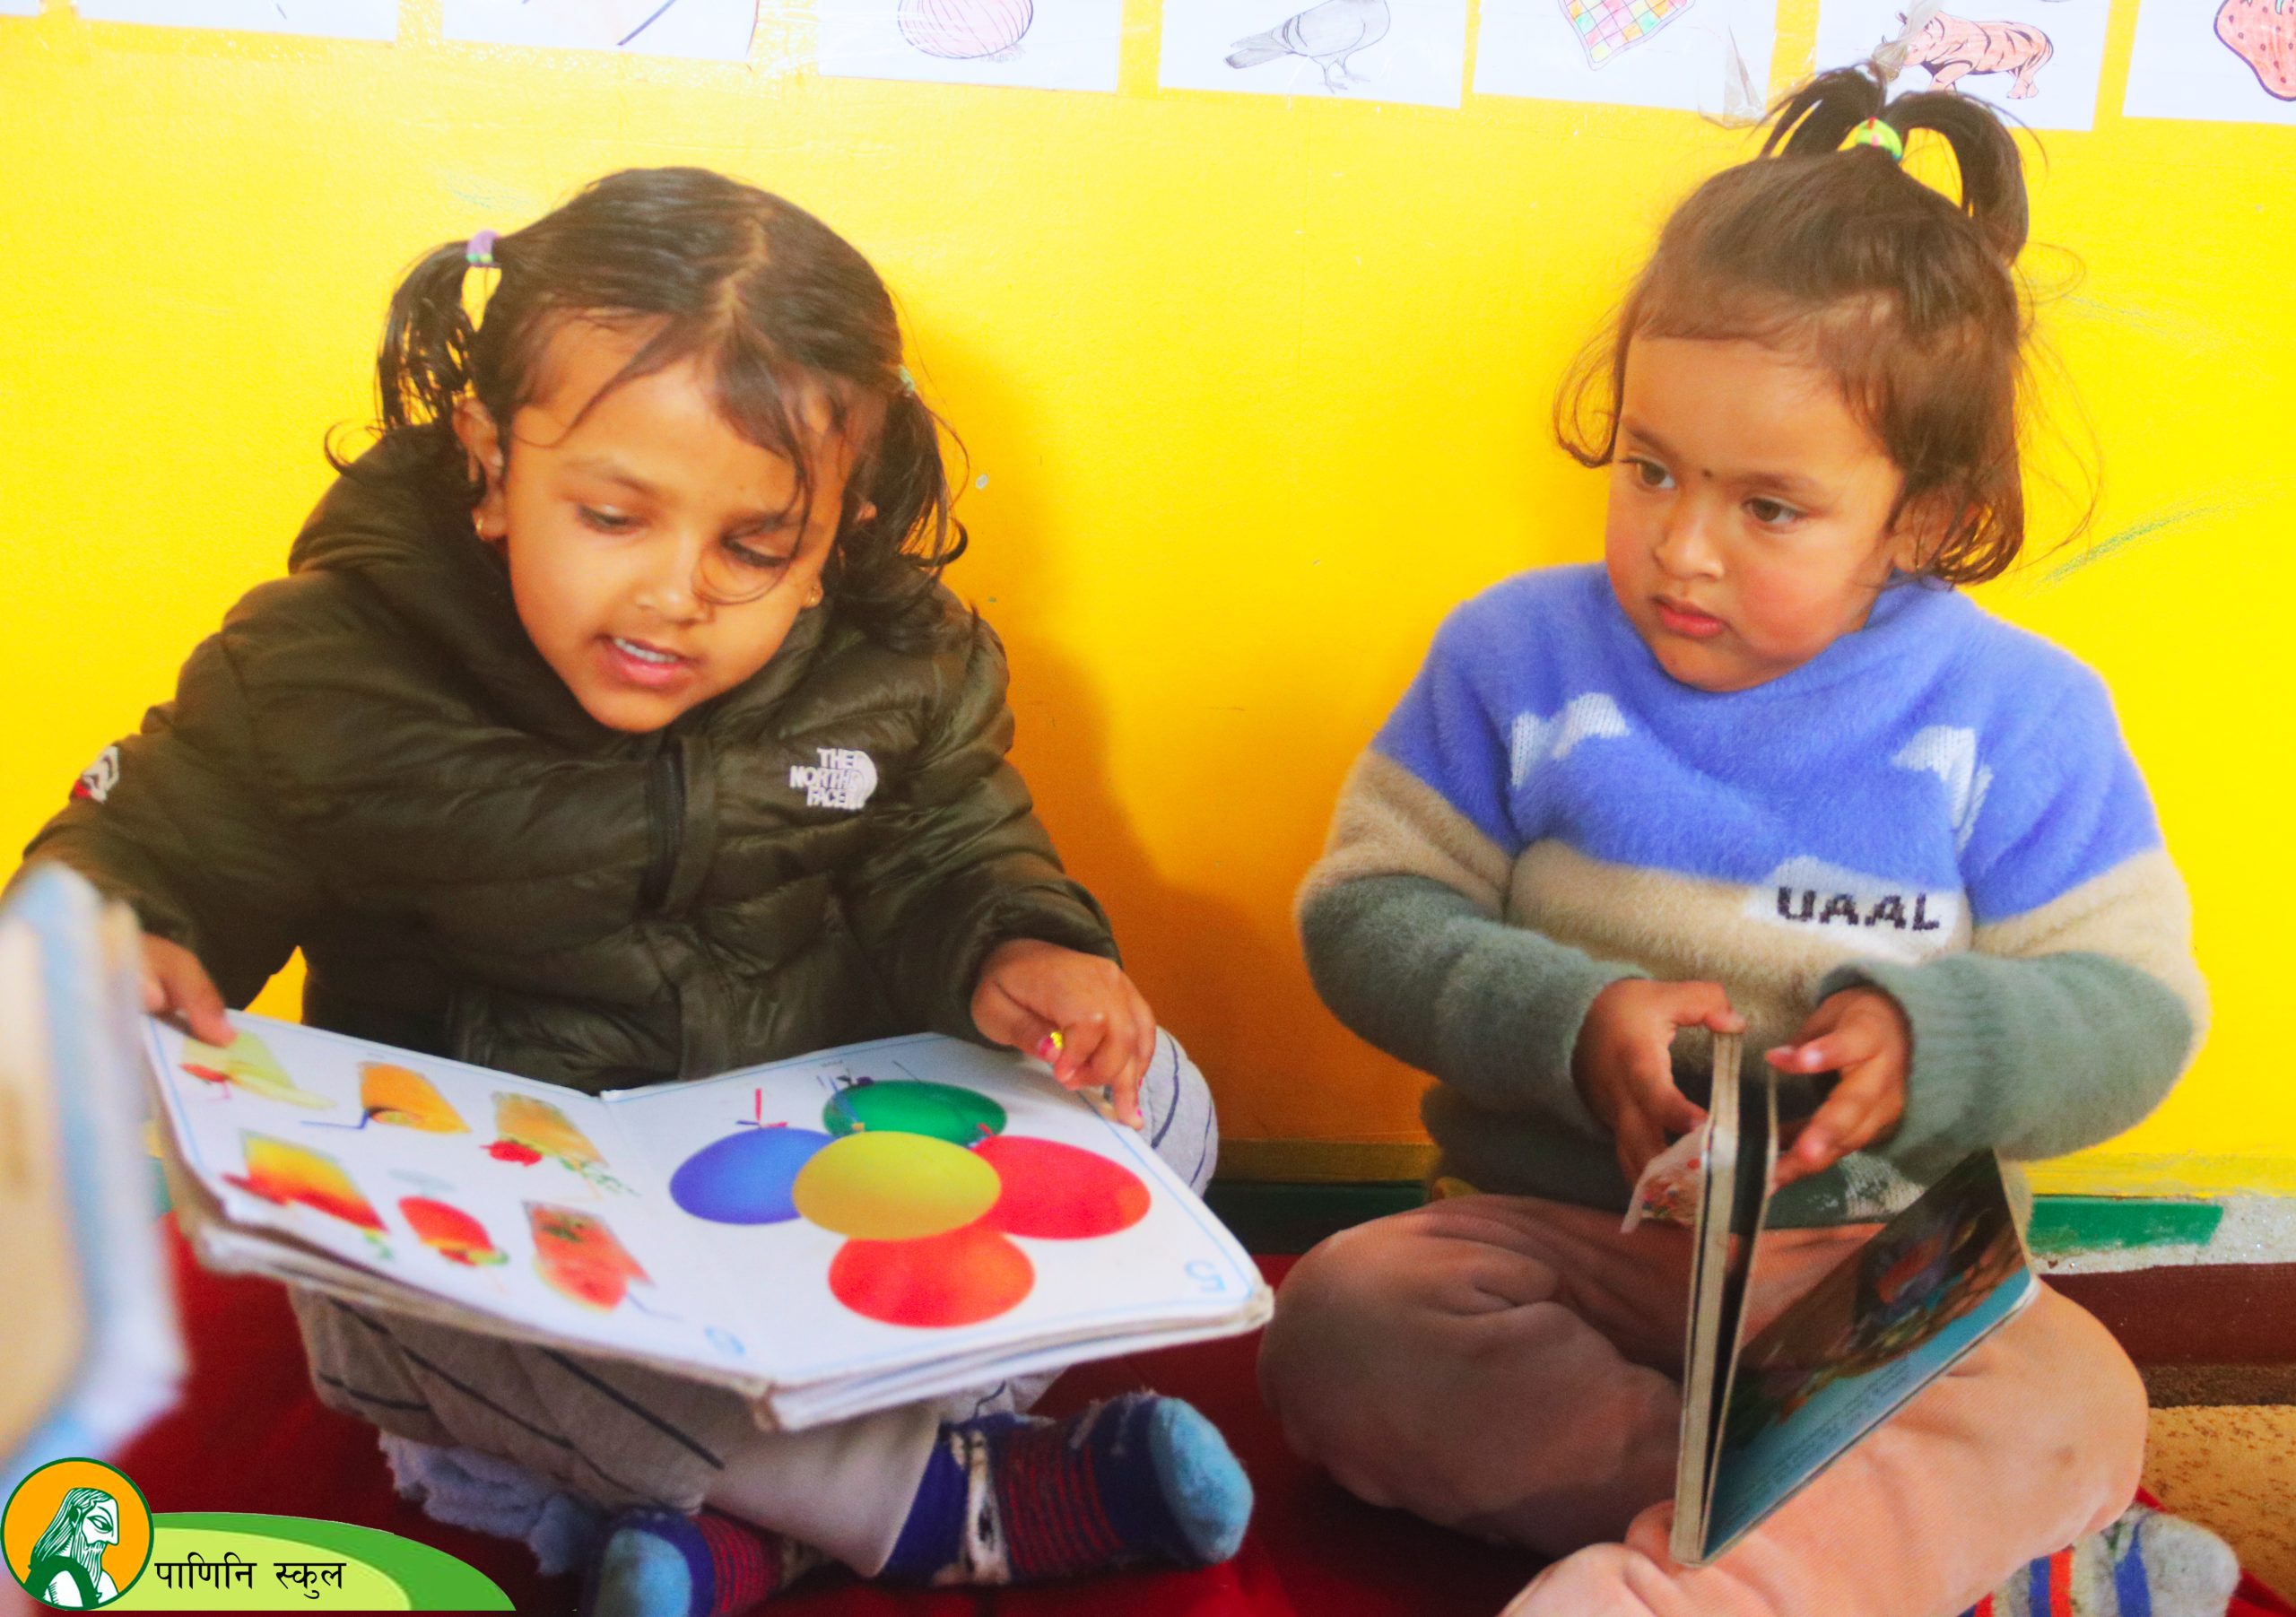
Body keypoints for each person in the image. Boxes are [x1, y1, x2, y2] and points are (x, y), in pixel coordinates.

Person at [20, 167, 1246, 1617]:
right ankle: (930, 1501)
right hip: (532, 1240)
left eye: (756, 546)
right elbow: (152, 848)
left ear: (836, 536)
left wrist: (1022, 945)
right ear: (491, 468)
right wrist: (116, 935)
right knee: (365, 1301)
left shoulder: (902, 660)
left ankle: (756, 1525)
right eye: (612, 516)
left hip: (801, 1196)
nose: (676, 593)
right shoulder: (325, 671)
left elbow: (954, 850)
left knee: (1156, 1099)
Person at [1259, 70, 2214, 1617]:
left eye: (1770, 508)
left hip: (1873, 1285)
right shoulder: (1515, 655)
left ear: (1922, 516)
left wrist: (1937, 1042)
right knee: (1345, 1320)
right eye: (1650, 469)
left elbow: (2137, 1017)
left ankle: (1703, 1584)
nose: (1681, 548)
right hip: (1565, 1242)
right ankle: (1830, 1545)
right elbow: (1366, 913)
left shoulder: (2022, 715)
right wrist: (1570, 1022)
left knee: (2076, 1402)